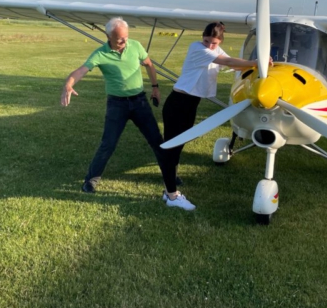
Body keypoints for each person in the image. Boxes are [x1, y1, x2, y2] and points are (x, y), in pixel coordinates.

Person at [60, 17, 195, 211]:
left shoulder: (135, 46)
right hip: (117, 105)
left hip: (140, 102)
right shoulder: (100, 53)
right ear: (108, 36)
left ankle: (170, 177)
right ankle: (91, 180)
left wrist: (155, 87)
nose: (125, 41)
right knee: (108, 144)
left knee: (158, 141)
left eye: (126, 37)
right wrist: (69, 84)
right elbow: (82, 70)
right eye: (120, 38)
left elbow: (149, 64)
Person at [161, 22, 270, 209]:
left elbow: (236, 66)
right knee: (171, 146)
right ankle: (172, 196)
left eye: (214, 43)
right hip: (178, 103)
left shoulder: (216, 50)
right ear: (202, 38)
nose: (210, 45)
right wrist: (256, 62)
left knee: (179, 144)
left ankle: (170, 182)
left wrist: (263, 67)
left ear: (220, 41)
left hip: (191, 104)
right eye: (207, 41)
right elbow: (228, 62)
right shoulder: (197, 48)